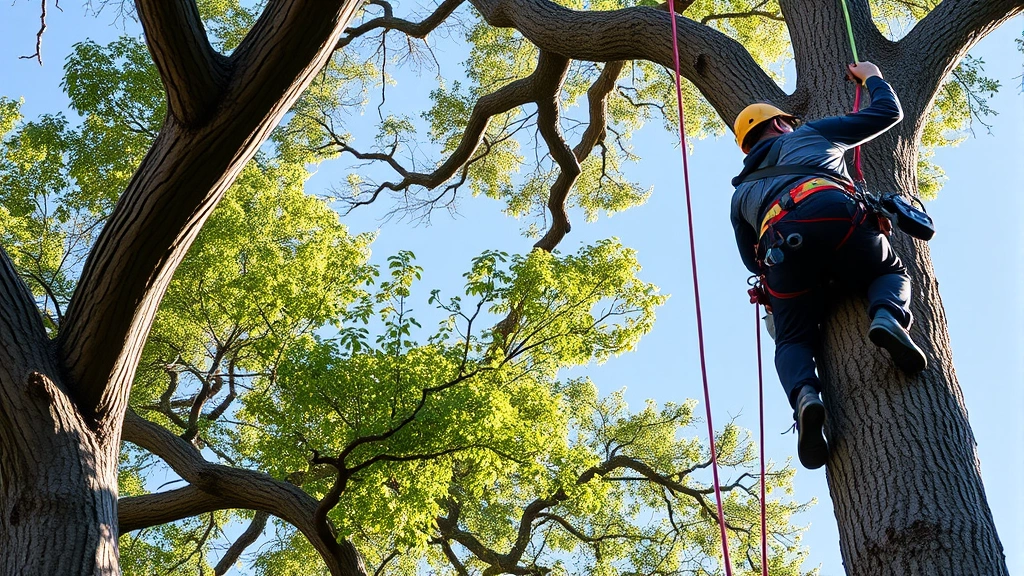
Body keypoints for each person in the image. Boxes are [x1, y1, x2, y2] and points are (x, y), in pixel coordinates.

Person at [729, 62, 928, 470]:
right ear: (782, 125)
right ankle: (888, 316)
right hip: (833, 214)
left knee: (792, 339)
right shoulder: (810, 134)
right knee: (890, 273)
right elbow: (888, 114)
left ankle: (805, 397)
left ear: (748, 148)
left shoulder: (740, 195)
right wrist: (872, 76)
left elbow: (750, 259)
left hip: (782, 249)